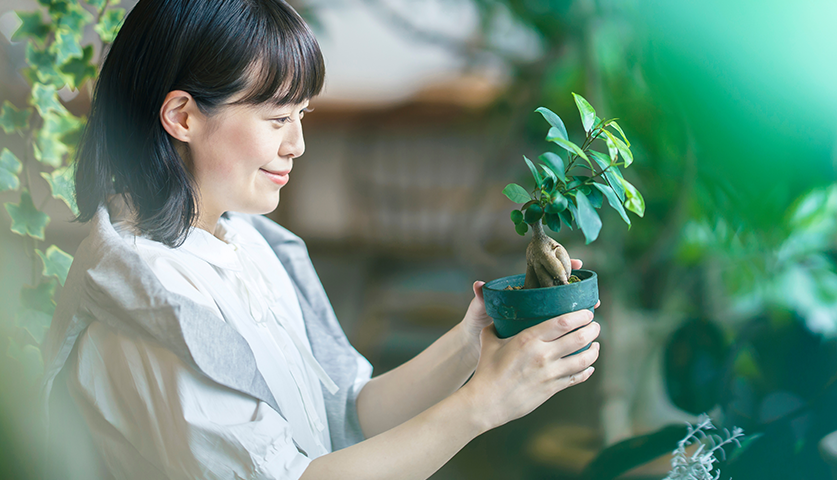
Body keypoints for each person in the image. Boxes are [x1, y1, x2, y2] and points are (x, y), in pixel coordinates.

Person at [40, 0, 601, 478]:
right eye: (277, 117)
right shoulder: (148, 302)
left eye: (302, 114)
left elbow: (349, 414)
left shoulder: (247, 243)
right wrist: (484, 404)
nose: (298, 145)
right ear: (183, 117)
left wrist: (472, 340)